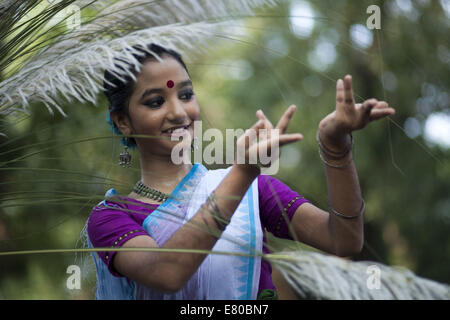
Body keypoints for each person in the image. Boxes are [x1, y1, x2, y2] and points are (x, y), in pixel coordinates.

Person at [86, 43, 395, 300]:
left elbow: (344, 239)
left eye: (185, 94)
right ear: (123, 121)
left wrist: (335, 145)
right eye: (156, 101)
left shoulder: (253, 192)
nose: (179, 112)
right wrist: (243, 171)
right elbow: (166, 272)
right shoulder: (110, 217)